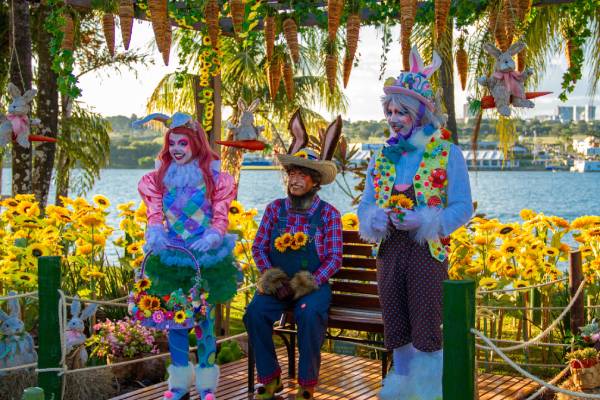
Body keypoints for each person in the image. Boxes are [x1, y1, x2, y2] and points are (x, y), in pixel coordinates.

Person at [357, 47, 473, 400]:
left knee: (426, 330)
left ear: (419, 114)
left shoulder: (446, 153)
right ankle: (400, 391)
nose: (393, 118)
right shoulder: (381, 157)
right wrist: (375, 217)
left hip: (426, 253)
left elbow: (463, 207)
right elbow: (365, 204)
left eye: (401, 112)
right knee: (396, 329)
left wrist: (426, 221)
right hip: (389, 251)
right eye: (390, 111)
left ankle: (428, 393)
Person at [129, 112, 239, 400]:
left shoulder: (216, 178)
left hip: (205, 258)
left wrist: (214, 235)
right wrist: (155, 233)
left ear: (196, 145)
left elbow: (220, 215)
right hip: (172, 258)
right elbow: (154, 213)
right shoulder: (158, 179)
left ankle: (206, 384)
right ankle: (178, 383)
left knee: (204, 321)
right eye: (172, 143)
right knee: (174, 320)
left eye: (183, 144)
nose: (176, 149)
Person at [243, 112, 343, 400]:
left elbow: (334, 257)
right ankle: (270, 378)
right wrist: (272, 278)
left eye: (302, 175)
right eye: (292, 174)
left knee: (309, 314)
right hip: (278, 285)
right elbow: (259, 247)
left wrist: (306, 283)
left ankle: (306, 384)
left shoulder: (328, 215)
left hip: (312, 286)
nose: (295, 180)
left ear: (314, 181)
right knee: (254, 313)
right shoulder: (275, 209)